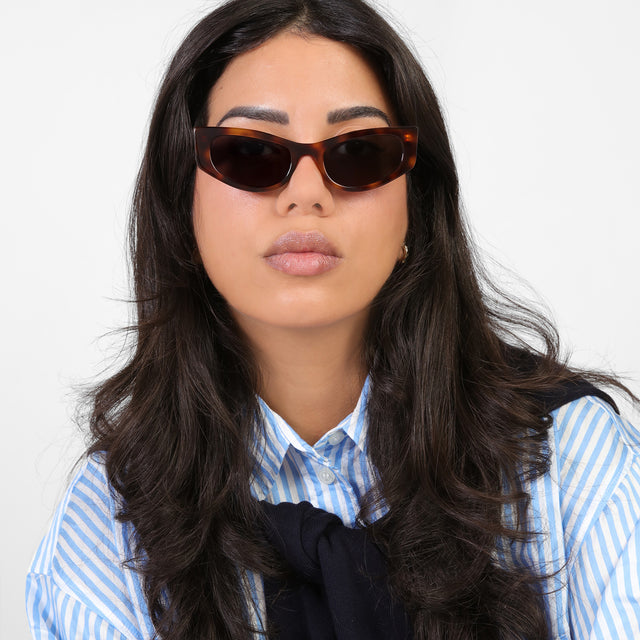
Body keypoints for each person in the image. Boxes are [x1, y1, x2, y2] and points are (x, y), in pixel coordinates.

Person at [25, 0, 640, 638]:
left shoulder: (570, 461)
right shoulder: (109, 524)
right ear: (183, 205)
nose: (307, 191)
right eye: (249, 153)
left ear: (415, 208)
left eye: (359, 152)